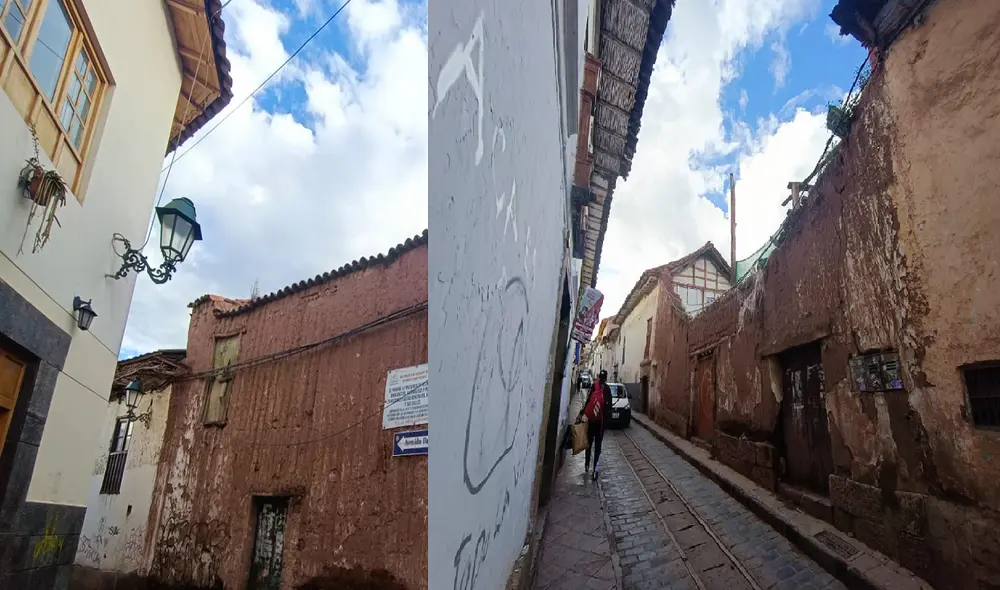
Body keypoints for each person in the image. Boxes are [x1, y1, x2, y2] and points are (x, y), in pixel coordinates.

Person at [577, 370, 612, 481]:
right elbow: (609, 408)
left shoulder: (594, 386)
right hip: (600, 424)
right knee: (597, 448)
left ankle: (587, 464)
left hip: (591, 422)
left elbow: (588, 401)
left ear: (598, 377)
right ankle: (595, 470)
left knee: (589, 444)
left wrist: (581, 413)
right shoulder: (607, 389)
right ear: (606, 378)